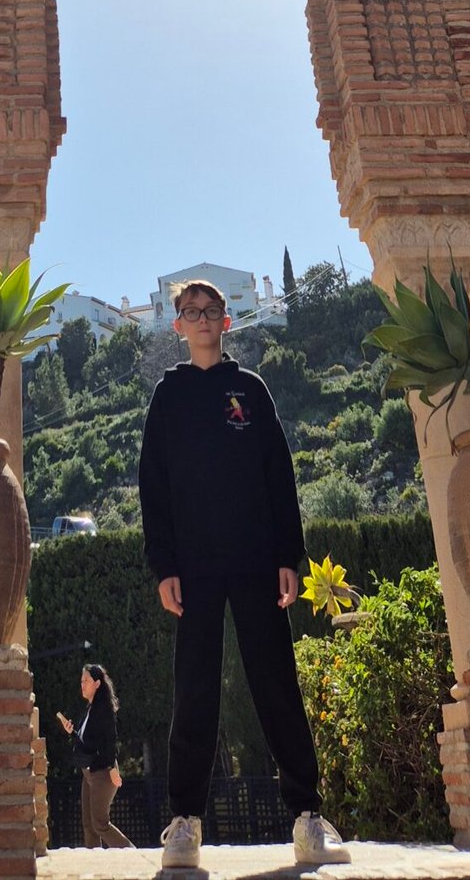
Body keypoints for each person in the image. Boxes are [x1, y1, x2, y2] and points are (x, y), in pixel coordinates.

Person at [138, 280, 349, 873]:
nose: (202, 320)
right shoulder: (169, 396)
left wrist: (290, 555)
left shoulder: (250, 390)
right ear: (177, 325)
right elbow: (152, 485)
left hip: (257, 559)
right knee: (195, 689)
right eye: (191, 313)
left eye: (211, 312)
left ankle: (307, 818)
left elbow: (279, 474)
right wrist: (165, 565)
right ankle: (183, 823)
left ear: (227, 322)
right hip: (195, 567)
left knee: (276, 683)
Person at [55, 662, 132, 850]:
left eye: (86, 680)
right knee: (89, 825)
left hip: (103, 772)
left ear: (97, 683)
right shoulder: (90, 708)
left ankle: (131, 853)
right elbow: (88, 742)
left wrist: (113, 769)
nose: (82, 684)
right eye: (81, 681)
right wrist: (72, 732)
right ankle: (94, 861)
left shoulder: (103, 708)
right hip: (89, 772)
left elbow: (110, 740)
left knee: (100, 824)